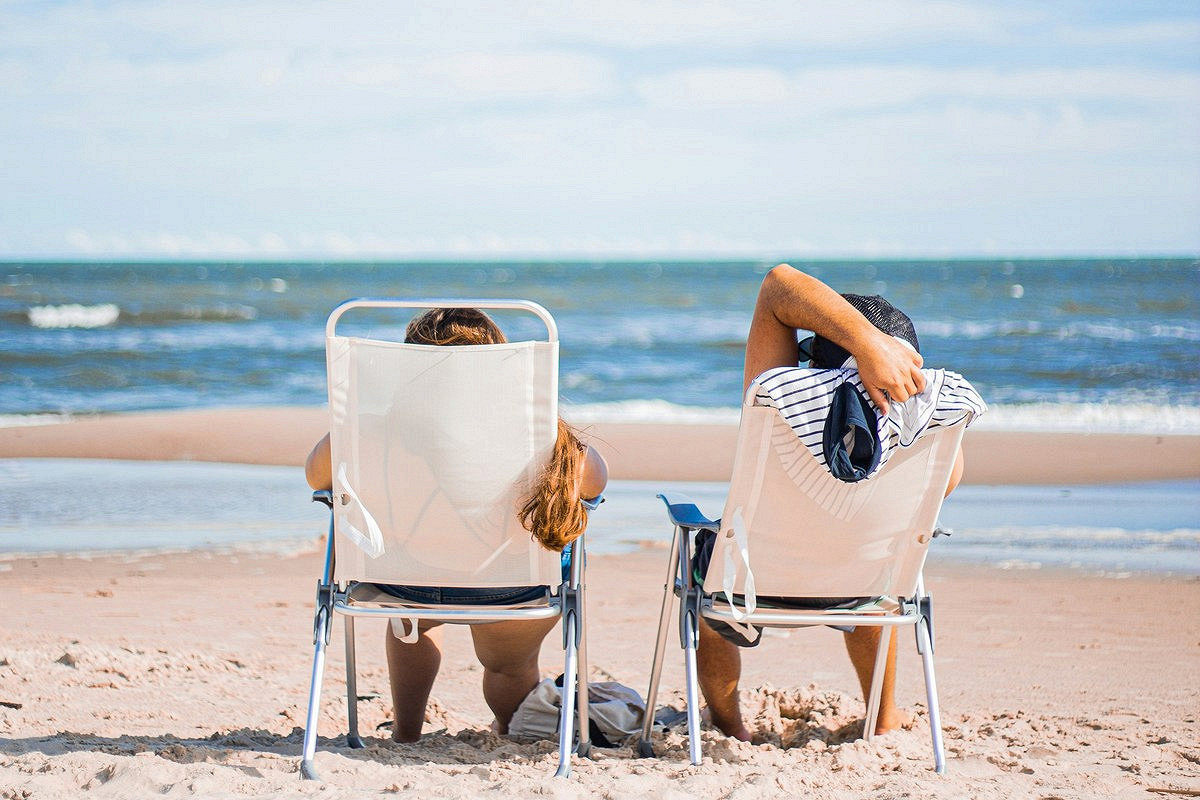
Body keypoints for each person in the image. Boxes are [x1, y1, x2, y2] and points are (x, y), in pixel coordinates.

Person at [695, 264, 986, 742]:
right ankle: (883, 716)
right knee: (880, 557)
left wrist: (865, 344)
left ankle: (730, 726)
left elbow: (778, 285)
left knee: (704, 579)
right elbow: (932, 491)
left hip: (751, 584)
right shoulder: (932, 435)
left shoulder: (775, 399)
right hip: (861, 588)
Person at [304, 307, 608, 743]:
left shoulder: (369, 433)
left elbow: (317, 478)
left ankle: (406, 733)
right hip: (512, 589)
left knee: (411, 625)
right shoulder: (539, 436)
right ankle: (508, 729)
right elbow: (594, 483)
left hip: (406, 582)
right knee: (508, 666)